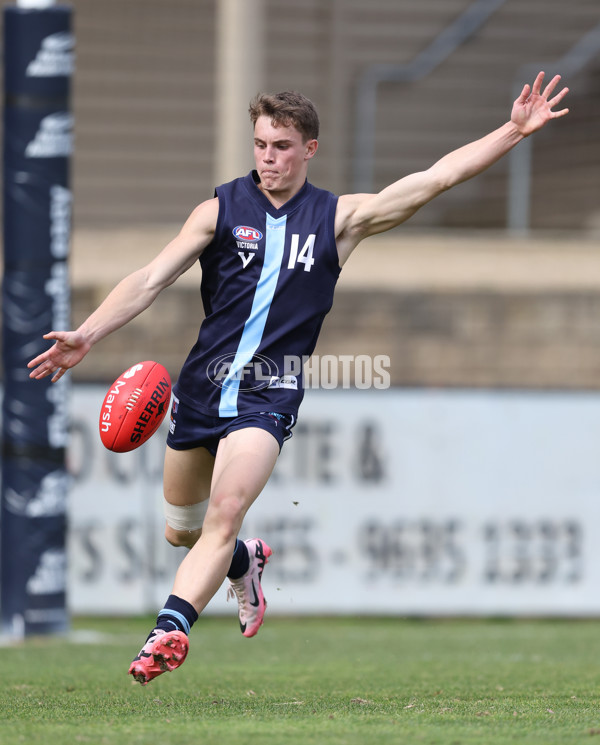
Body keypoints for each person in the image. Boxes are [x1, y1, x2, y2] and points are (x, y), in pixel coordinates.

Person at [28, 71, 569, 685]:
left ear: (309, 149)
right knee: (183, 533)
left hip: (269, 391)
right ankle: (244, 563)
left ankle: (168, 631)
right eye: (260, 144)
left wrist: (513, 130)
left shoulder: (339, 218)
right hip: (202, 389)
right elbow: (151, 279)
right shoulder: (219, 209)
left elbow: (437, 178)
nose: (268, 158)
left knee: (225, 510)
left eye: (282, 146)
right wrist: (89, 334)